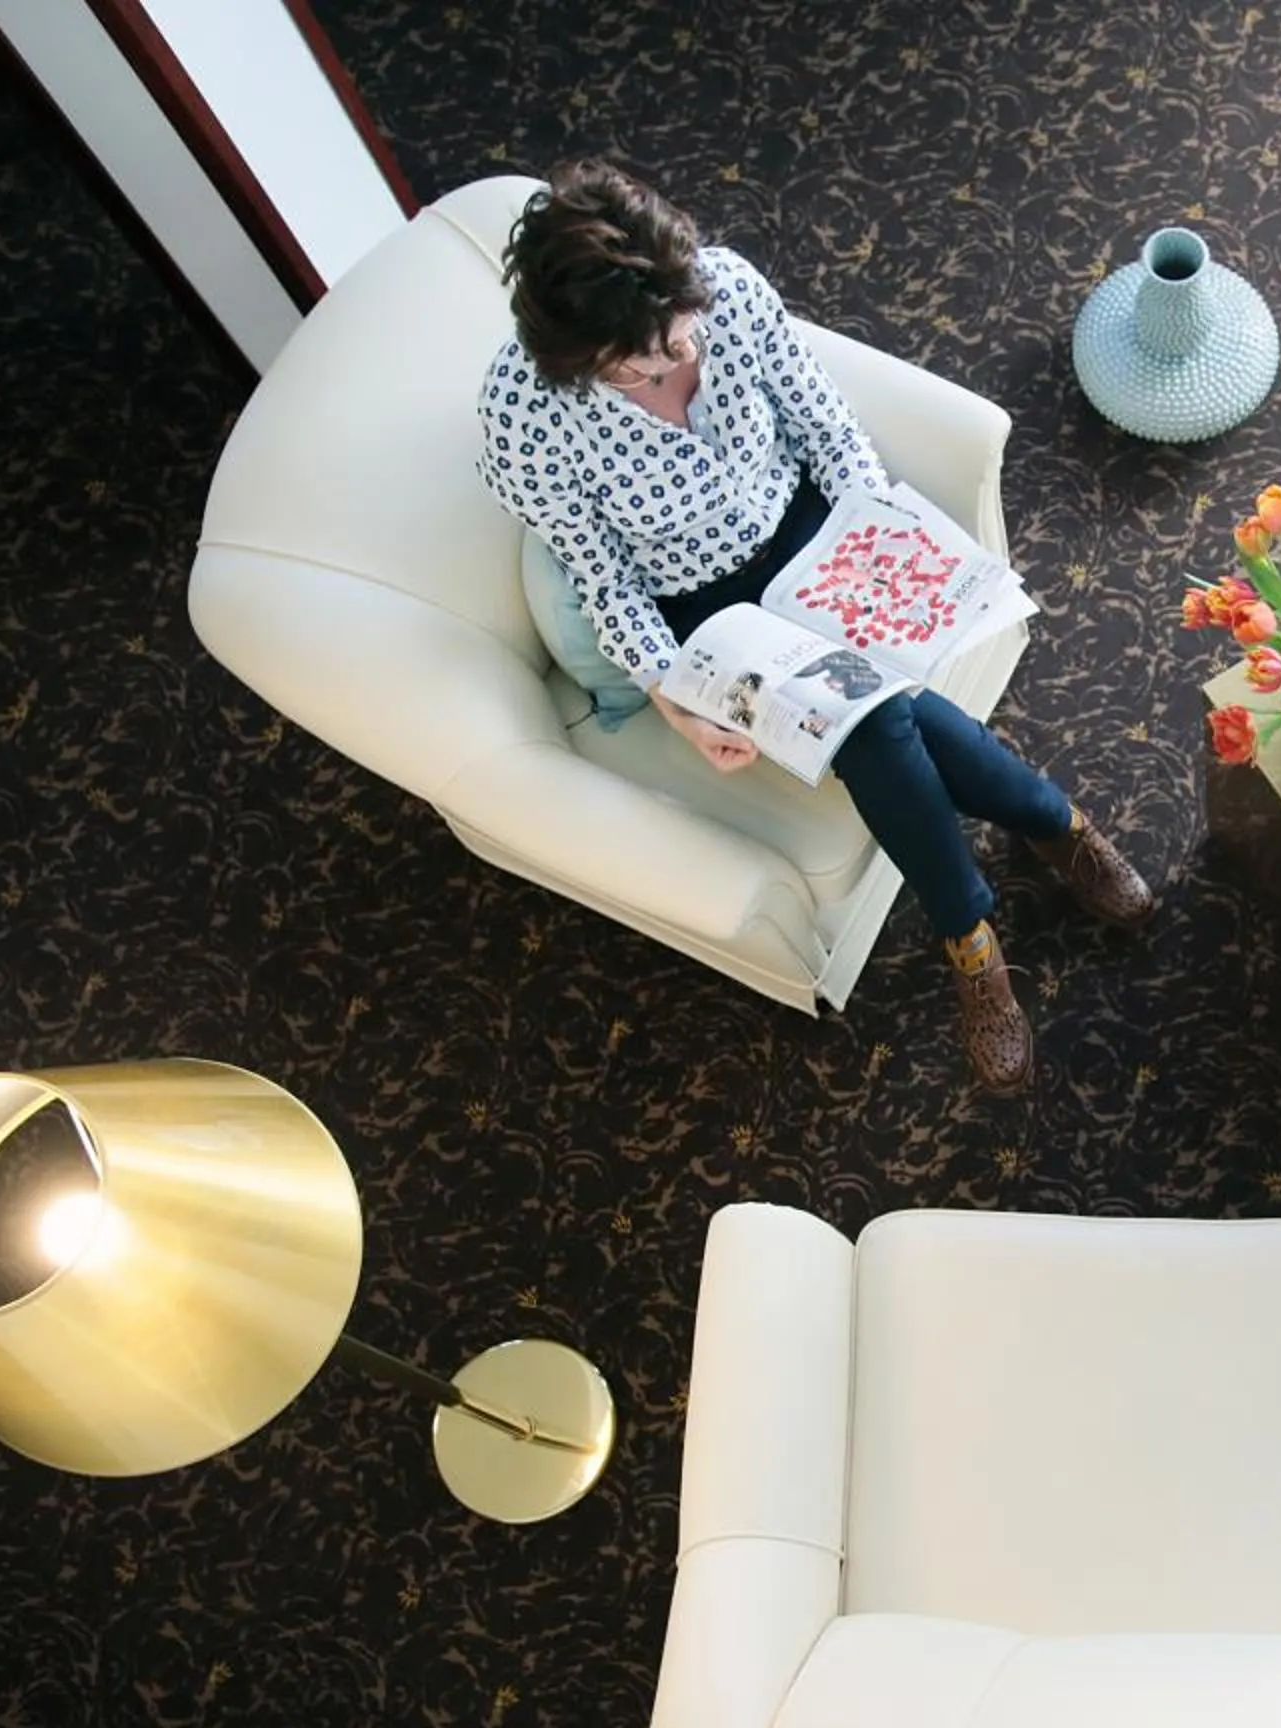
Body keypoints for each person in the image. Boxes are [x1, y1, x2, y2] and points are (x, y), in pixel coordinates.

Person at [474, 158, 1152, 1093]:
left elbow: (826, 427)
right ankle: (1019, 864)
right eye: (644, 364)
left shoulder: (730, 290)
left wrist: (881, 543)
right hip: (708, 606)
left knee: (885, 708)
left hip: (811, 535)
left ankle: (1011, 873)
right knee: (876, 719)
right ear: (579, 356)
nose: (677, 364)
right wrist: (674, 697)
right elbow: (604, 579)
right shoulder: (526, 419)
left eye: (681, 341)